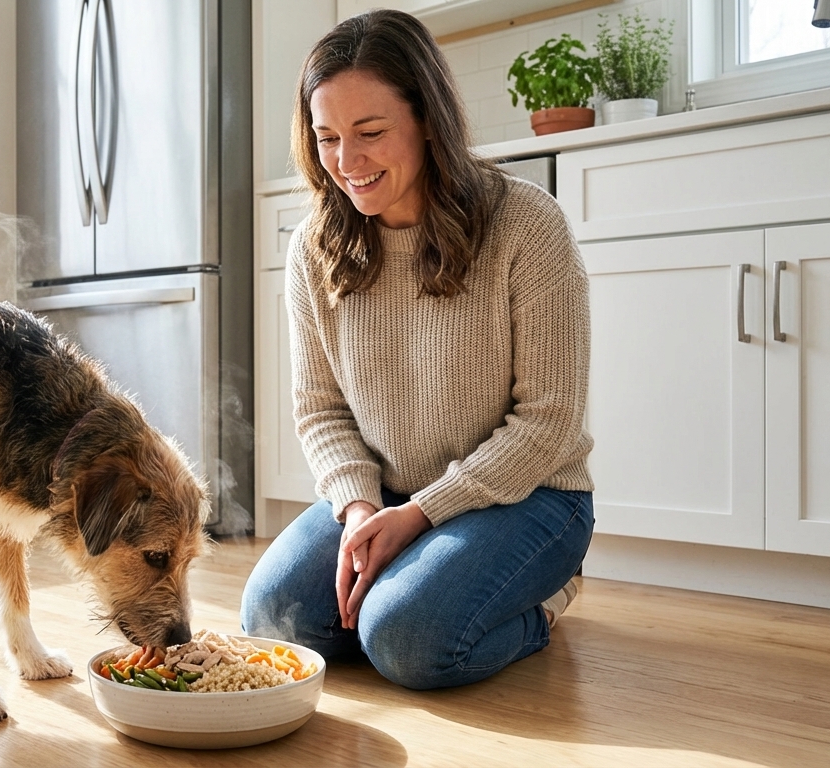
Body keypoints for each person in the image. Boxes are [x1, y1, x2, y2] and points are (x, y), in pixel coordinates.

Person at [240, 9, 595, 690]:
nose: (347, 162)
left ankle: (543, 604)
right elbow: (320, 411)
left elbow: (549, 423)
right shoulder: (312, 248)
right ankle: (426, 579)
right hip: (387, 495)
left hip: (529, 499)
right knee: (273, 617)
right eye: (327, 138)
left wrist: (422, 516)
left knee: (405, 641)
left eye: (371, 133)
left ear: (428, 120)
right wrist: (361, 511)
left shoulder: (526, 224)